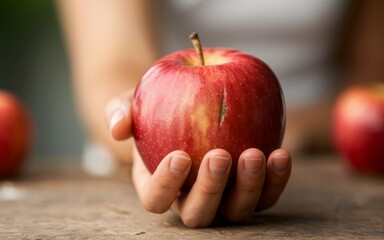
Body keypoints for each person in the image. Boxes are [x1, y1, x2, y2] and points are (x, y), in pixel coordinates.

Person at [57, 0, 384, 227]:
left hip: (325, 159)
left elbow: (369, 82)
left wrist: (300, 132)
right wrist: (143, 134)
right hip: (145, 154)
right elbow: (114, 65)